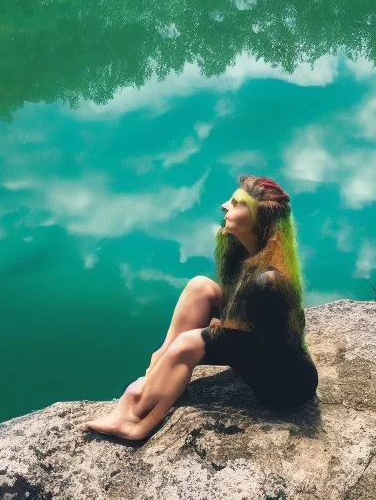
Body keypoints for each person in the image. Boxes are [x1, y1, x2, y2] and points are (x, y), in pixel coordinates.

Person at [85, 174, 318, 441]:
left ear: (259, 219)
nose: (224, 206)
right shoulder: (244, 251)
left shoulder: (268, 280)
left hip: (283, 387)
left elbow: (261, 346)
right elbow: (238, 319)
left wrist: (206, 338)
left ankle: (138, 419)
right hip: (256, 344)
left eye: (235, 203)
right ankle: (156, 377)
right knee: (200, 288)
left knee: (188, 345)